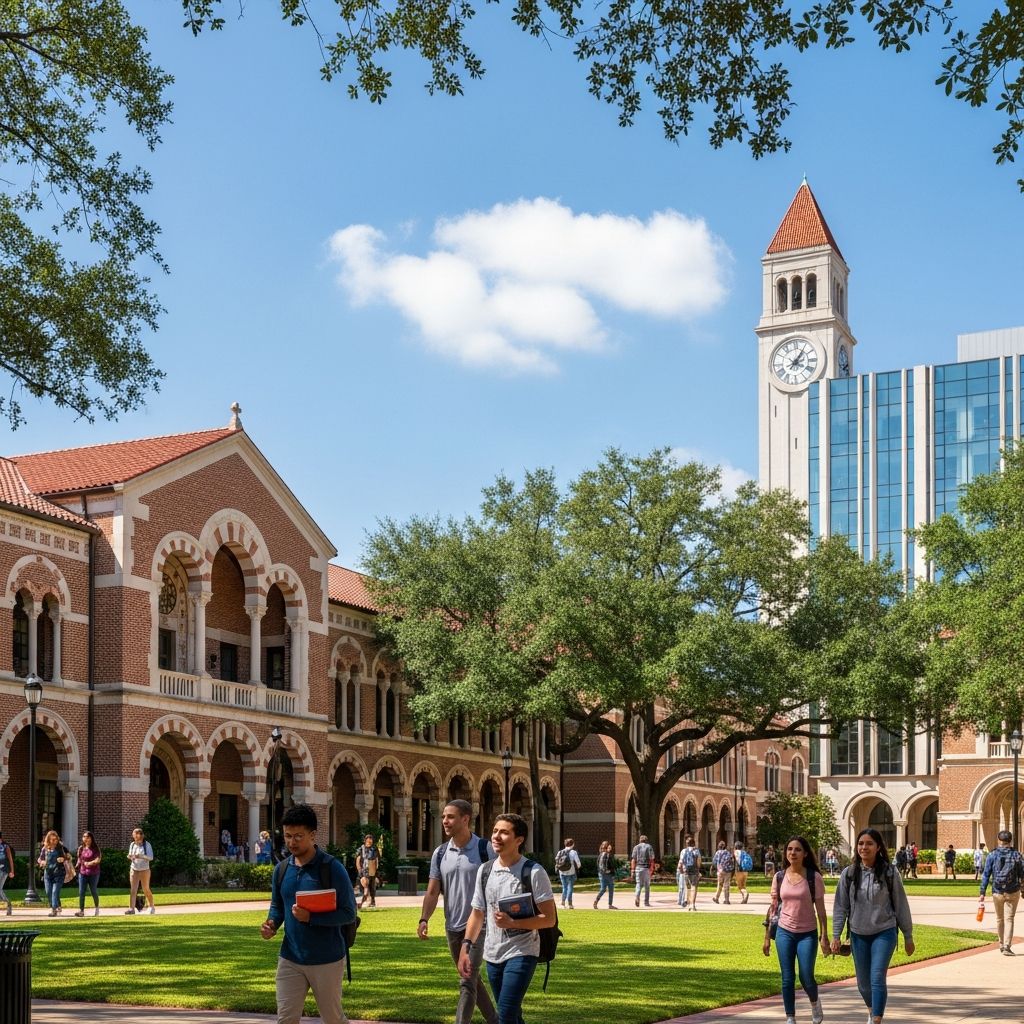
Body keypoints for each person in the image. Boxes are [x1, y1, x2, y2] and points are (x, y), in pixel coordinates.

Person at [260, 804, 358, 1024]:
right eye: (287, 836)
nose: (292, 842)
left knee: (333, 1019)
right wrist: (271, 924)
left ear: (313, 835)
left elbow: (348, 913)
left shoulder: (331, 868)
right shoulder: (281, 870)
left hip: (327, 959)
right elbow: (278, 906)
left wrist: (312, 918)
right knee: (286, 1019)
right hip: (290, 958)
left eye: (298, 836)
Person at [459, 813, 556, 1024]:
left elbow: (549, 919)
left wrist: (513, 923)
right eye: (495, 831)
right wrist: (466, 947)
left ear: (519, 840)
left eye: (504, 832)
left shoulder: (533, 872)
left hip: (522, 951)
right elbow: (477, 913)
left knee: (506, 1013)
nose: (496, 836)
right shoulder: (485, 870)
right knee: (512, 1015)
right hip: (493, 953)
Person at [418, 799, 499, 1024]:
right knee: (471, 979)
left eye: (450, 817)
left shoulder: (486, 850)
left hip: (480, 926)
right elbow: (433, 890)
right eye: (444, 816)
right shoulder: (440, 853)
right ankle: (496, 1020)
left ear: (465, 819)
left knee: (467, 980)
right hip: (452, 926)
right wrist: (424, 919)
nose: (445, 821)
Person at [831, 827, 914, 1024]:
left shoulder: (890, 872)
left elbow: (901, 904)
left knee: (877, 977)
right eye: (861, 843)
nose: (864, 847)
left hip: (884, 932)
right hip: (858, 934)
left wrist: (908, 935)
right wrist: (836, 935)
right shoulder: (849, 874)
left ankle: (876, 1018)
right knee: (863, 984)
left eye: (869, 843)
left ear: (878, 847)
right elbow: (841, 906)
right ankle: (872, 1011)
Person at [762, 836, 829, 1024]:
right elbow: (773, 909)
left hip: (807, 933)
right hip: (784, 932)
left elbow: (821, 911)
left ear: (805, 853)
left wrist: (824, 936)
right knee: (787, 978)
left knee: (806, 976)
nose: (793, 853)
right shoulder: (779, 877)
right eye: (789, 849)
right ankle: (790, 1017)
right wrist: (766, 937)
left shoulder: (813, 878)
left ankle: (814, 1003)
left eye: (797, 849)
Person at [979, 829, 1024, 955]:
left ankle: (1000, 944)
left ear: (999, 840)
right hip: (1013, 891)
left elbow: (986, 874)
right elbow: (1023, 874)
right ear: (1010, 840)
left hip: (997, 891)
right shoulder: (1017, 855)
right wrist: (1023, 889)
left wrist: (982, 892)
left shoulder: (992, 854)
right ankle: (1007, 946)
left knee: (999, 919)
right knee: (1010, 918)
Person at [38, 829, 70, 916]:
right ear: (48, 840)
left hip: (59, 873)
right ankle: (58, 905)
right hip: (48, 874)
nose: (54, 841)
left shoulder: (60, 848)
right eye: (52, 839)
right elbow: (40, 859)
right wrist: (42, 862)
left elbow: (67, 857)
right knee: (49, 892)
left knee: (54, 892)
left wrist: (63, 859)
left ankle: (53, 910)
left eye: (55, 839)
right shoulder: (45, 849)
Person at [125, 826, 155, 914]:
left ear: (139, 835)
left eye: (134, 834)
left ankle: (151, 906)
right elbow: (130, 855)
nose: (133, 836)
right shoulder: (132, 844)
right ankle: (131, 909)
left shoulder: (147, 845)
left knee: (146, 889)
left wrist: (141, 856)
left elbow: (151, 857)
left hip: (144, 869)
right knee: (133, 889)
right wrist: (130, 857)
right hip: (134, 868)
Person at [74, 830, 102, 917]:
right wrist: (76, 866)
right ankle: (81, 911)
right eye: (84, 837)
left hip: (94, 873)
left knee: (93, 891)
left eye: (87, 837)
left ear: (91, 838)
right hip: (82, 873)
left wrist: (90, 863)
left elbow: (98, 860)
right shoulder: (81, 848)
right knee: (81, 892)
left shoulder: (95, 849)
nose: (85, 838)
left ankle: (97, 908)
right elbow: (79, 859)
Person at [554, 837, 581, 909]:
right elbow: (578, 863)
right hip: (571, 872)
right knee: (570, 888)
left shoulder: (560, 852)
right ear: (572, 844)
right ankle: (570, 904)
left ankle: (563, 902)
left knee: (564, 887)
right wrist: (577, 868)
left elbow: (557, 861)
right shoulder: (573, 852)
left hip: (562, 872)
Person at [630, 834, 655, 908]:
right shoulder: (649, 847)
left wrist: (632, 870)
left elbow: (633, 859)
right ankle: (646, 902)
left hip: (638, 867)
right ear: (646, 840)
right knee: (647, 886)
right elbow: (652, 858)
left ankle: (637, 896)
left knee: (638, 884)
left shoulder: (636, 847)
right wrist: (652, 869)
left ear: (640, 840)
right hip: (646, 868)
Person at [355, 834, 379, 908]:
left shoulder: (374, 849)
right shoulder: (361, 849)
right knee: (365, 887)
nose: (369, 842)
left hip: (372, 870)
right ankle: (362, 903)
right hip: (364, 871)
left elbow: (376, 861)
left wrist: (376, 871)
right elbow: (358, 861)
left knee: (372, 887)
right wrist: (360, 871)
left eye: (371, 840)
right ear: (365, 841)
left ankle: (372, 901)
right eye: (368, 840)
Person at [677, 835, 701, 911]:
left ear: (687, 844)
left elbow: (680, 862)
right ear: (694, 843)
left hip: (686, 871)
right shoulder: (696, 851)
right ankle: (692, 904)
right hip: (694, 871)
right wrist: (698, 869)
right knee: (694, 887)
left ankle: (688, 903)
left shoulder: (683, 851)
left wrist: (680, 870)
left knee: (688, 888)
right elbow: (698, 862)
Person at [594, 841, 616, 909]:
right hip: (608, 874)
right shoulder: (608, 855)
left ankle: (596, 900)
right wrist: (613, 873)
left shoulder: (600, 855)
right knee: (611, 889)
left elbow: (597, 864)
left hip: (601, 874)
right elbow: (611, 865)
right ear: (608, 847)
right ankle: (610, 904)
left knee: (603, 889)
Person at [711, 840, 734, 904]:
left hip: (720, 871)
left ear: (718, 846)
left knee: (720, 884)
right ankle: (726, 900)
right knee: (726, 885)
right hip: (728, 871)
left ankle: (716, 898)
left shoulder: (717, 853)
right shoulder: (728, 853)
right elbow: (731, 861)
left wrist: (712, 868)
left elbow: (714, 862)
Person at [0, 830, 14, 915]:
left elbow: (10, 860)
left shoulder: (5, 847)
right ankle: (7, 903)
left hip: (4, 870)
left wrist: (12, 871)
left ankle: (8, 904)